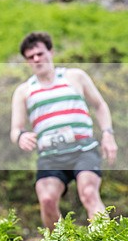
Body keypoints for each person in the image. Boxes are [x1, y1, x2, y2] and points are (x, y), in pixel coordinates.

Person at [10, 31, 117, 230]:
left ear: (51, 52)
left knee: (88, 192)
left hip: (83, 149)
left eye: (40, 54)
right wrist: (21, 137)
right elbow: (15, 130)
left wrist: (108, 134)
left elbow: (100, 105)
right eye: (30, 57)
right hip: (50, 155)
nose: (36, 59)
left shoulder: (74, 77)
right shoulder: (24, 91)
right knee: (47, 200)